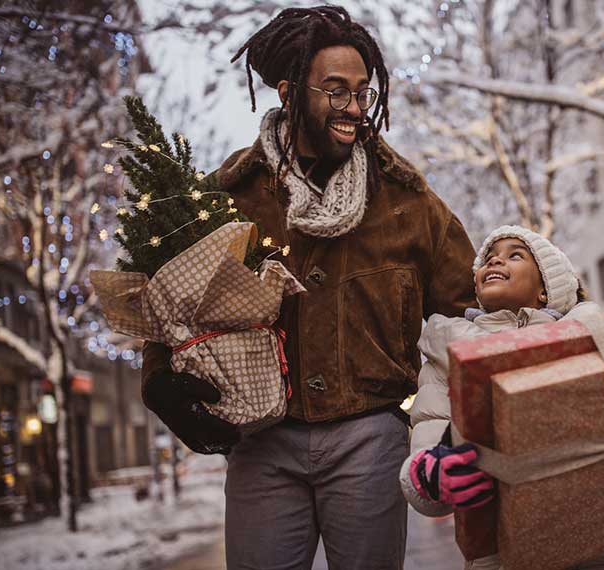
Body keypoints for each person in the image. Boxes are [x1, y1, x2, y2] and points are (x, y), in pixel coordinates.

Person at [139, 6, 476, 569]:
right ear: (291, 93)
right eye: (336, 91)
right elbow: (166, 304)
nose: (354, 110)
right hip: (261, 447)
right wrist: (158, 380)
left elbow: (471, 315)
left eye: (363, 93)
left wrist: (546, 311)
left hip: (371, 439)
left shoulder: (408, 204)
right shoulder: (228, 198)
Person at [400, 225, 604, 570]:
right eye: (488, 258)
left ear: (545, 287)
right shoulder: (446, 355)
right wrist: (428, 477)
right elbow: (427, 438)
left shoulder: (601, 342)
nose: (495, 259)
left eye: (515, 254)